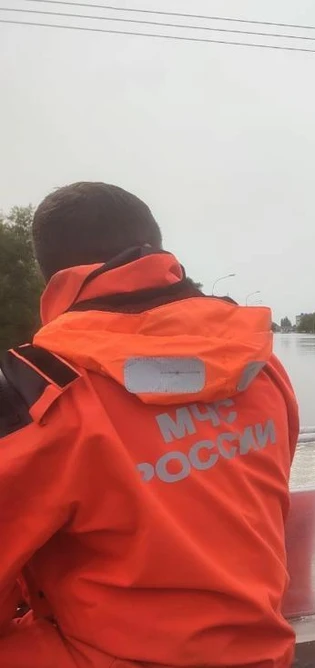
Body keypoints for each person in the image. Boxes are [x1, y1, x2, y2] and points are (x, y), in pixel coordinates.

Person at [0, 182, 299, 667]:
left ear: (47, 274)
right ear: (157, 249)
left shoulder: (37, 393)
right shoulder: (259, 364)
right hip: (265, 653)